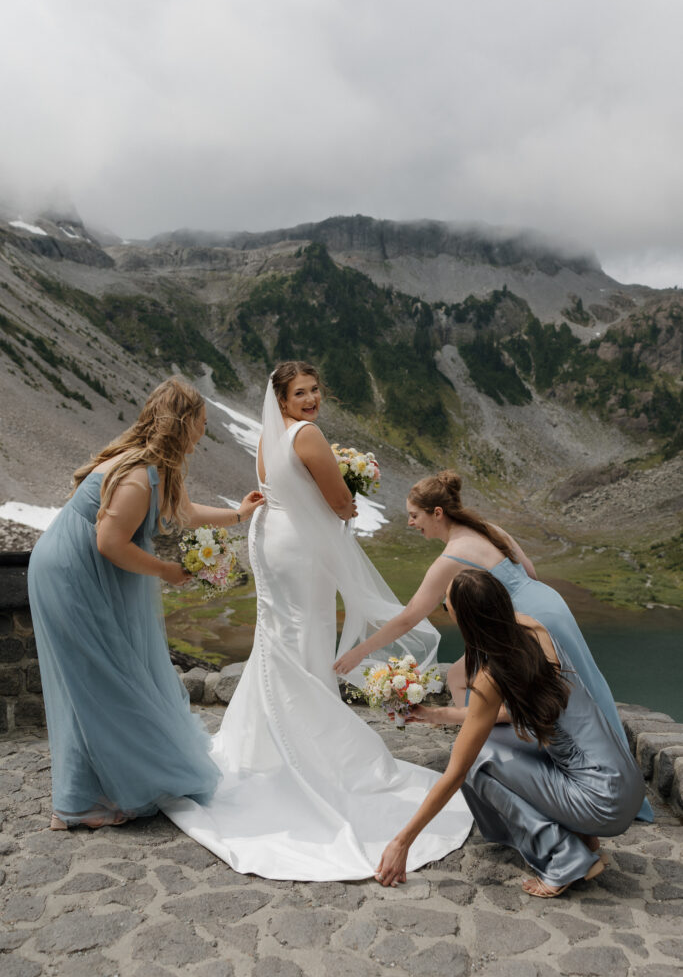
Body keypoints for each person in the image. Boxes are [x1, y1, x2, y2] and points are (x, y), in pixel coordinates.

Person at [162, 362, 472, 880]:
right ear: (282, 400)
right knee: (307, 636)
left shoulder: (269, 434)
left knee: (278, 636)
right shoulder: (308, 435)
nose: (310, 400)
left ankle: (266, 742)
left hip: (270, 536)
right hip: (300, 547)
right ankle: (307, 746)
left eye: (314, 390)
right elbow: (338, 501)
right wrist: (351, 500)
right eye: (300, 393)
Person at [333, 469, 653, 822]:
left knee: (557, 691)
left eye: (414, 515)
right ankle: (492, 743)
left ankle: (507, 751)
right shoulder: (490, 529)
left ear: (437, 513)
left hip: (525, 618)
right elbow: (529, 571)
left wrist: (359, 652)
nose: (410, 523)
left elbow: (410, 617)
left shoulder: (451, 558)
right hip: (548, 605)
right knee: (475, 676)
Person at [28, 377, 264, 830]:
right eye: (202, 422)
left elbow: (184, 512)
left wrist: (239, 514)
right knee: (100, 679)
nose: (204, 431)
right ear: (184, 422)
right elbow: (110, 543)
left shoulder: (158, 469)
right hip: (70, 575)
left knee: (105, 678)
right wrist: (167, 571)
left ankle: (96, 788)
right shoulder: (138, 476)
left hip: (82, 572)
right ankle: (78, 803)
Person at [374, 569, 645, 896]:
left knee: (477, 763)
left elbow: (456, 773)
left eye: (449, 608)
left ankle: (563, 856)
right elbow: (515, 715)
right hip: (626, 782)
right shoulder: (533, 628)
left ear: (467, 620)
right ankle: (582, 837)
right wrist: (436, 714)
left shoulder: (492, 675)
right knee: (493, 741)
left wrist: (402, 842)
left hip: (601, 800)